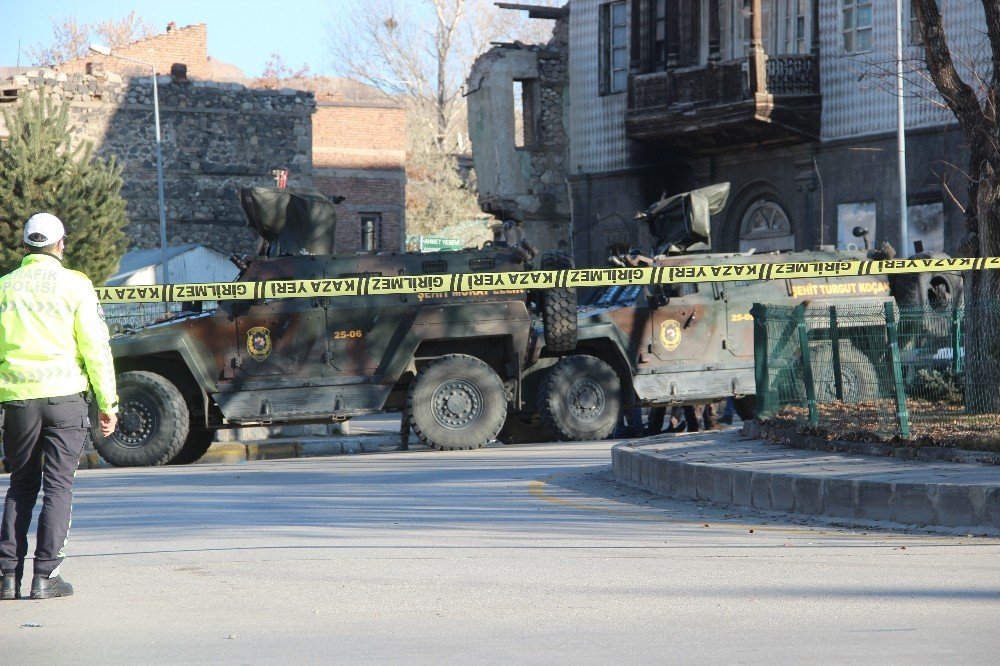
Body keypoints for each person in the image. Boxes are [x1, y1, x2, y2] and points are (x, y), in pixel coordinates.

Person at [0, 213, 118, 601]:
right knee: (58, 486)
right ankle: (44, 577)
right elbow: (95, 347)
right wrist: (107, 402)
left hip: (17, 400)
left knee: (20, 484)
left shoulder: (4, 288)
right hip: (66, 398)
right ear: (60, 245)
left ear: (26, 245)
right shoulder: (75, 285)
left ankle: (7, 577)